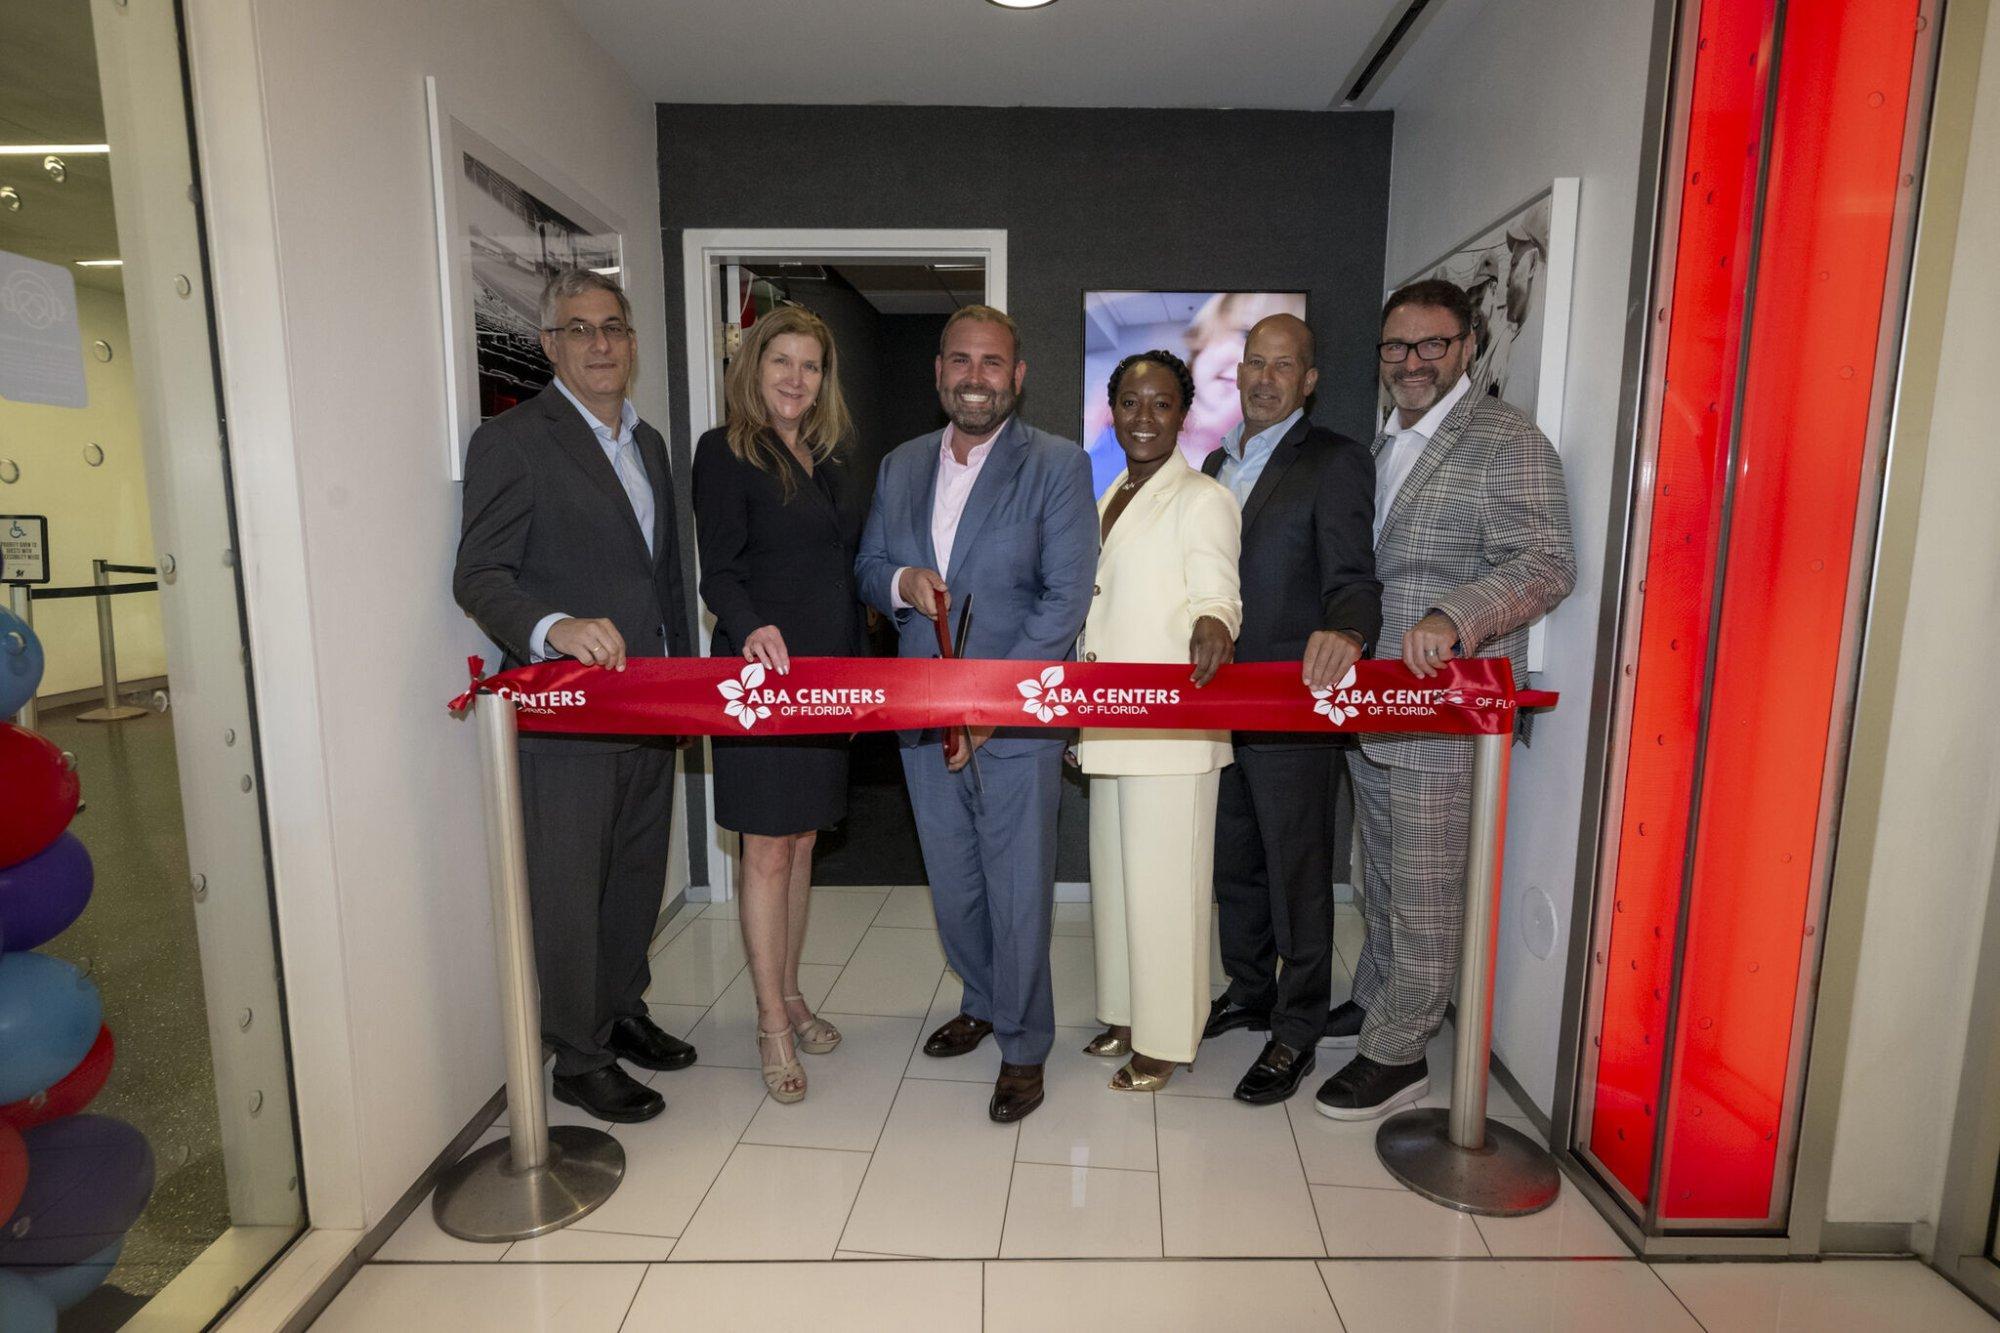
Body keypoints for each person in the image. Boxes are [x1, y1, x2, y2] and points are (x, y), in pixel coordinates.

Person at [1316, 278, 1574, 1121]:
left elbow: (1545, 561)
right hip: (1377, 706)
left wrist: (1454, 615)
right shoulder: (1383, 441)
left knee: (1426, 888)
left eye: (1432, 345)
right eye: (1397, 347)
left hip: (1444, 710)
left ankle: (1400, 1051)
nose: (1413, 361)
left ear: (1467, 348)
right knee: (1383, 873)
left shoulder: (1505, 439)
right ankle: (1382, 995)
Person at [453, 268, 696, 1124]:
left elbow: (666, 576)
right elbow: (478, 574)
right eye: (580, 329)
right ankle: (578, 1056)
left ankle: (623, 1009)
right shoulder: (513, 442)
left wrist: (684, 689)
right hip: (567, 719)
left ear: (631, 341)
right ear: (551, 344)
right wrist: (552, 625)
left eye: (615, 328)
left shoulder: (652, 444)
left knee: (634, 875)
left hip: (650, 707)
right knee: (567, 887)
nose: (601, 344)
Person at [854, 305, 1096, 1124]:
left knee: (1018, 883)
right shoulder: (900, 464)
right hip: (922, 709)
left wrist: (994, 705)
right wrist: (900, 584)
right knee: (954, 880)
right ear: (938, 372)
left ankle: (1025, 1046)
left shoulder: (1058, 465)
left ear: (1018, 376)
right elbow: (868, 565)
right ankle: (985, 998)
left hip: (1016, 717)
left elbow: (1064, 598)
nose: (975, 377)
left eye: (992, 362)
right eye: (961, 360)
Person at [1200, 313, 1381, 1107]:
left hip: (1292, 700)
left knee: (1297, 872)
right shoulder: (1213, 460)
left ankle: (1299, 1025)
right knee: (1234, 863)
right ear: (1237, 373)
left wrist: (1347, 628)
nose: (1266, 378)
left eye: (1285, 366)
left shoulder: (1336, 461)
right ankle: (1249, 990)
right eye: (1255, 364)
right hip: (1217, 702)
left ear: (1309, 380)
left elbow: (1352, 572)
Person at [692, 305, 865, 1104]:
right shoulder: (723, 454)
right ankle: (768, 1020)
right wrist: (751, 622)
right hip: (761, 682)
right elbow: (718, 571)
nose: (797, 379)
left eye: (811, 365)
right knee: (765, 848)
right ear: (753, 369)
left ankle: (791, 992)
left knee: (799, 845)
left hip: (823, 683)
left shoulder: (824, 463)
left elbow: (834, 572)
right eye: (782, 362)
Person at [1075, 350, 1241, 1092]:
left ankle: (1168, 1037)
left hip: (1173, 729)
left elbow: (1219, 589)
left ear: (1185, 413)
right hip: (1108, 723)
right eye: (1131, 403)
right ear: (1112, 412)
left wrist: (1215, 624)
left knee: (1167, 887)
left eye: (1162, 403)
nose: (1145, 417)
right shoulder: (1110, 489)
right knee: (1117, 883)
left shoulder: (1203, 497)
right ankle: (1126, 1011)